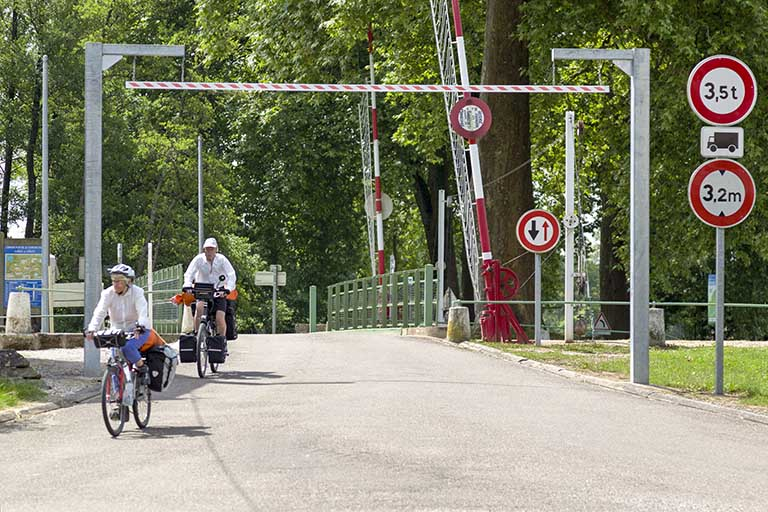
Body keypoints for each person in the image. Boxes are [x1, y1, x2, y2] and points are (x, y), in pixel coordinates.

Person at [85, 264, 164, 373]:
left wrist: (140, 326)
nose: (115, 284)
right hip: (116, 330)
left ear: (128, 282)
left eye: (119, 281)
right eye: (113, 280)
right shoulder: (108, 293)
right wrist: (92, 328)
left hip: (137, 329)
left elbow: (142, 312)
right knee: (114, 359)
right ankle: (117, 389)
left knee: (127, 348)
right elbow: (100, 311)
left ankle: (141, 367)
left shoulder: (137, 292)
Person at [182, 237, 237, 337]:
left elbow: (231, 275)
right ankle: (197, 336)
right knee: (199, 310)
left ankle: (221, 342)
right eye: (207, 249)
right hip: (202, 290)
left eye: (212, 249)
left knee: (220, 317)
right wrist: (187, 285)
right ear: (204, 250)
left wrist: (228, 289)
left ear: (216, 250)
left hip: (219, 290)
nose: (209, 252)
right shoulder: (198, 259)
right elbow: (189, 273)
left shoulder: (222, 260)